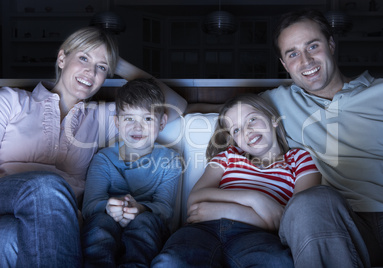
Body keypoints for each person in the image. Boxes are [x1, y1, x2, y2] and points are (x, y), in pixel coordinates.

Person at [0, 26, 187, 267]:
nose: (91, 71)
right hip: (7, 194)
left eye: (101, 67)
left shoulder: (100, 118)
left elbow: (176, 105)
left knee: (14, 239)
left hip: (60, 218)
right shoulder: (11, 101)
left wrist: (116, 63)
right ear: (61, 58)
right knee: (47, 185)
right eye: (84, 58)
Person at [257, 8, 383, 267]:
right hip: (335, 222)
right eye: (293, 53)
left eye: (313, 46)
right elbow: (188, 108)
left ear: (331, 44)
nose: (306, 61)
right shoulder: (277, 102)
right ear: (283, 64)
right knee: (308, 203)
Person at [152, 94, 321, 267]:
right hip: (204, 230)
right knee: (170, 262)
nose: (247, 131)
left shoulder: (299, 159)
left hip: (258, 236)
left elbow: (297, 219)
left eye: (252, 119)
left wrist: (228, 211)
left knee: (278, 262)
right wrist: (254, 199)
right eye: (236, 130)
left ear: (273, 119)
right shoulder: (228, 156)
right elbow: (195, 199)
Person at [81, 78, 182, 267]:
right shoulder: (104, 159)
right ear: (117, 123)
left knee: (144, 224)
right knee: (99, 226)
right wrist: (110, 207)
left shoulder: (170, 160)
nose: (138, 127)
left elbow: (165, 209)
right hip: (108, 219)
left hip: (148, 224)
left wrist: (141, 209)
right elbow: (90, 206)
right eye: (129, 119)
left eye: (148, 118)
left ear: (162, 123)